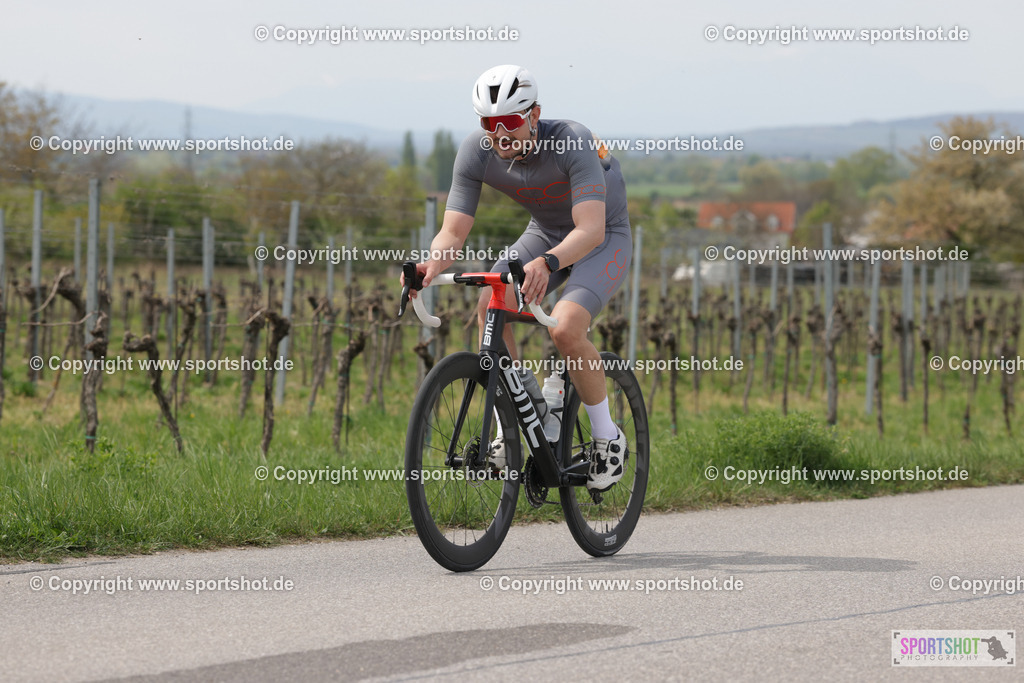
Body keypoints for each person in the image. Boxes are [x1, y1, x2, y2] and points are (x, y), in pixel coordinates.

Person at [411, 64, 631, 491]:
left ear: (534, 115)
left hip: (601, 237)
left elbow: (590, 229)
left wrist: (548, 263)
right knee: (490, 304)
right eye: (489, 124)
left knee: (566, 329)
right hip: (545, 233)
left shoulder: (571, 139)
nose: (500, 133)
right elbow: (453, 231)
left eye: (509, 121)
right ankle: (526, 412)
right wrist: (431, 266)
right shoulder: (477, 151)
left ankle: (608, 438)